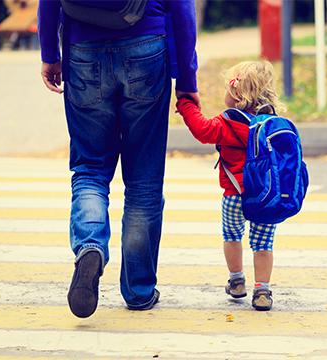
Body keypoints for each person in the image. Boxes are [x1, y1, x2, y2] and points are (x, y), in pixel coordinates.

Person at [38, 0, 199, 318]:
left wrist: (50, 54)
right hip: (146, 46)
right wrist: (187, 80)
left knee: (90, 167)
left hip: (83, 50)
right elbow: (182, 9)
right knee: (144, 179)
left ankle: (90, 245)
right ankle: (138, 291)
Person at [175, 60, 286, 311]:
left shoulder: (229, 122)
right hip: (267, 197)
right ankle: (262, 290)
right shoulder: (272, 125)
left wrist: (186, 105)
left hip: (234, 195)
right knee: (263, 244)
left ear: (236, 94)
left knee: (232, 236)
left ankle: (237, 280)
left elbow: (202, 130)